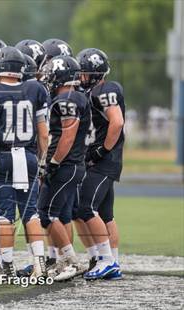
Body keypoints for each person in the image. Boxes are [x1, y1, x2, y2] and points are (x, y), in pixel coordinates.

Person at [0, 46, 49, 278]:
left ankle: (6, 266)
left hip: (2, 156)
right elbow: (44, 134)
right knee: (31, 213)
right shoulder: (35, 89)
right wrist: (42, 161)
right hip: (28, 156)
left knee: (4, 216)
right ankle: (40, 265)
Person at [37, 55, 89, 281]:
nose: (47, 78)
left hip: (66, 165)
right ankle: (62, 260)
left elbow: (68, 134)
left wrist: (53, 162)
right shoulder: (74, 96)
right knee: (58, 214)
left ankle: (72, 261)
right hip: (73, 164)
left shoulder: (67, 98)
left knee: (46, 213)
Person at [76, 48, 125, 280]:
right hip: (102, 159)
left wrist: (101, 151)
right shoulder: (95, 91)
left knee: (86, 207)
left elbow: (117, 122)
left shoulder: (106, 89)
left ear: (95, 74)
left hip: (104, 161)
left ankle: (106, 261)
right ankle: (112, 260)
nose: (80, 77)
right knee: (106, 214)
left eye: (84, 73)